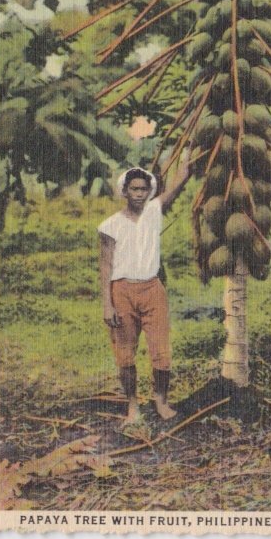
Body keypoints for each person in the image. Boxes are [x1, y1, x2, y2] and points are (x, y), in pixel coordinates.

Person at [98, 161, 190, 423]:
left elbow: (178, 183)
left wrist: (186, 159)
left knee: (161, 352)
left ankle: (161, 402)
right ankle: (133, 406)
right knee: (125, 353)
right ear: (125, 191)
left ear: (149, 192)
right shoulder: (110, 225)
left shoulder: (154, 212)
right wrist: (108, 304)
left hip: (152, 289)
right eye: (134, 189)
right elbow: (105, 267)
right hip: (122, 291)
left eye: (143, 189)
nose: (139, 193)